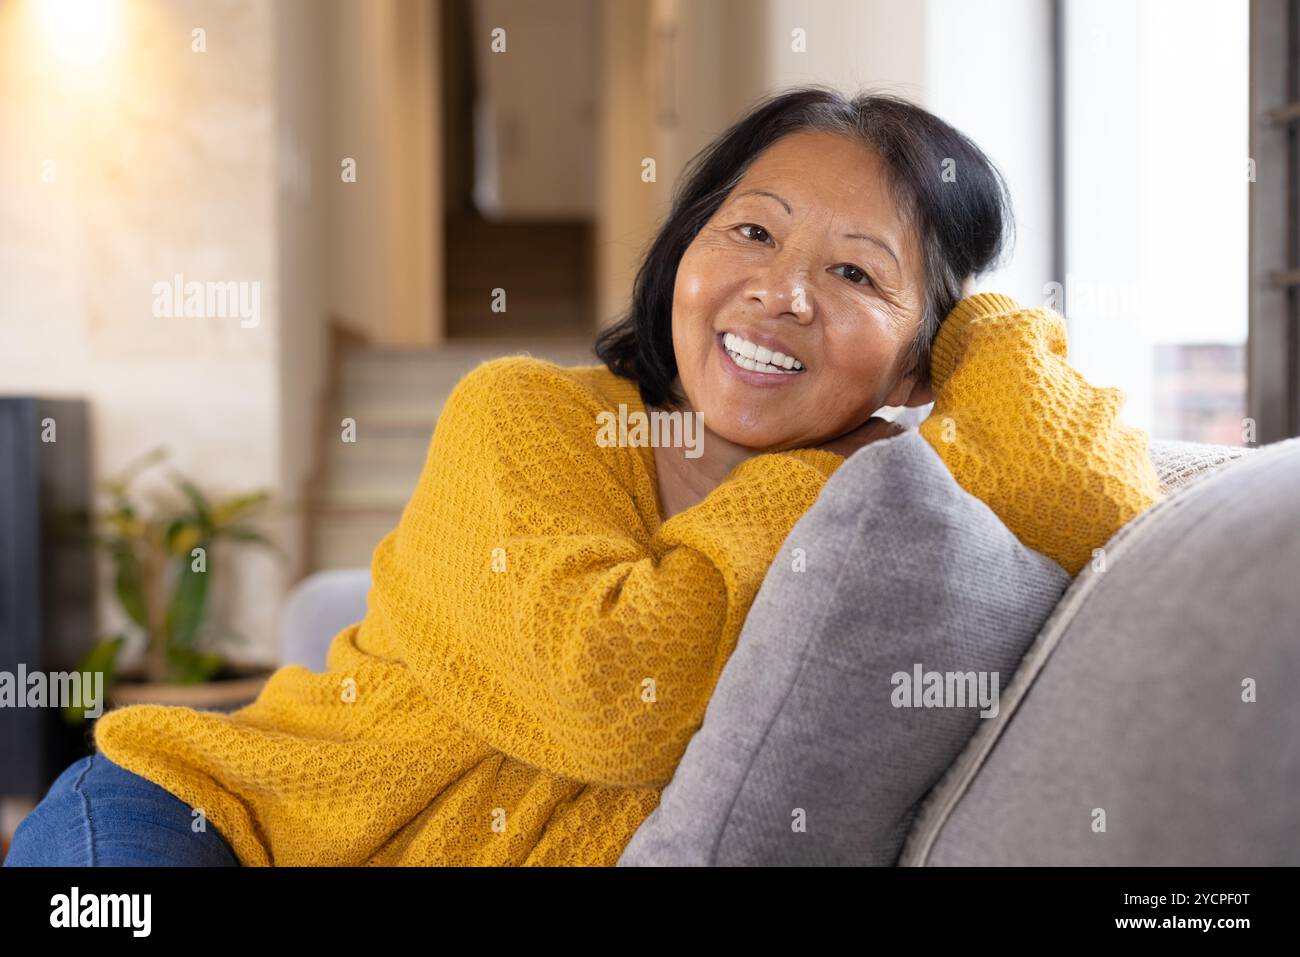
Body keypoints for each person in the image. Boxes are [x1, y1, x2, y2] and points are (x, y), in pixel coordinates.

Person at [5, 85, 1162, 867]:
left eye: (856, 272)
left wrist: (984, 330)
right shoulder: (527, 414)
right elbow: (608, 700)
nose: (782, 292)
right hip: (209, 821)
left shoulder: (888, 505)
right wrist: (813, 473)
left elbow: (1101, 516)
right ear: (686, 255)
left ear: (916, 356)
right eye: (751, 234)